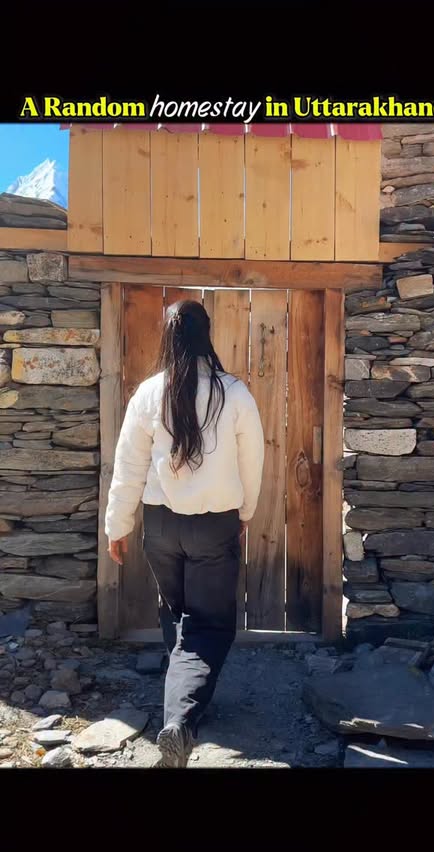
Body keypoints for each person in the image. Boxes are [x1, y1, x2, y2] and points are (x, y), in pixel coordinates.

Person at [105, 299, 265, 768]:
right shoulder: (234, 394)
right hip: (214, 523)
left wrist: (117, 525)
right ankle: (180, 720)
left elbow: (128, 467)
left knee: (177, 615)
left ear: (168, 335)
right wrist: (245, 513)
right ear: (205, 334)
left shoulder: (148, 394)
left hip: (160, 525)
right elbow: (251, 464)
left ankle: (184, 708)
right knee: (208, 625)